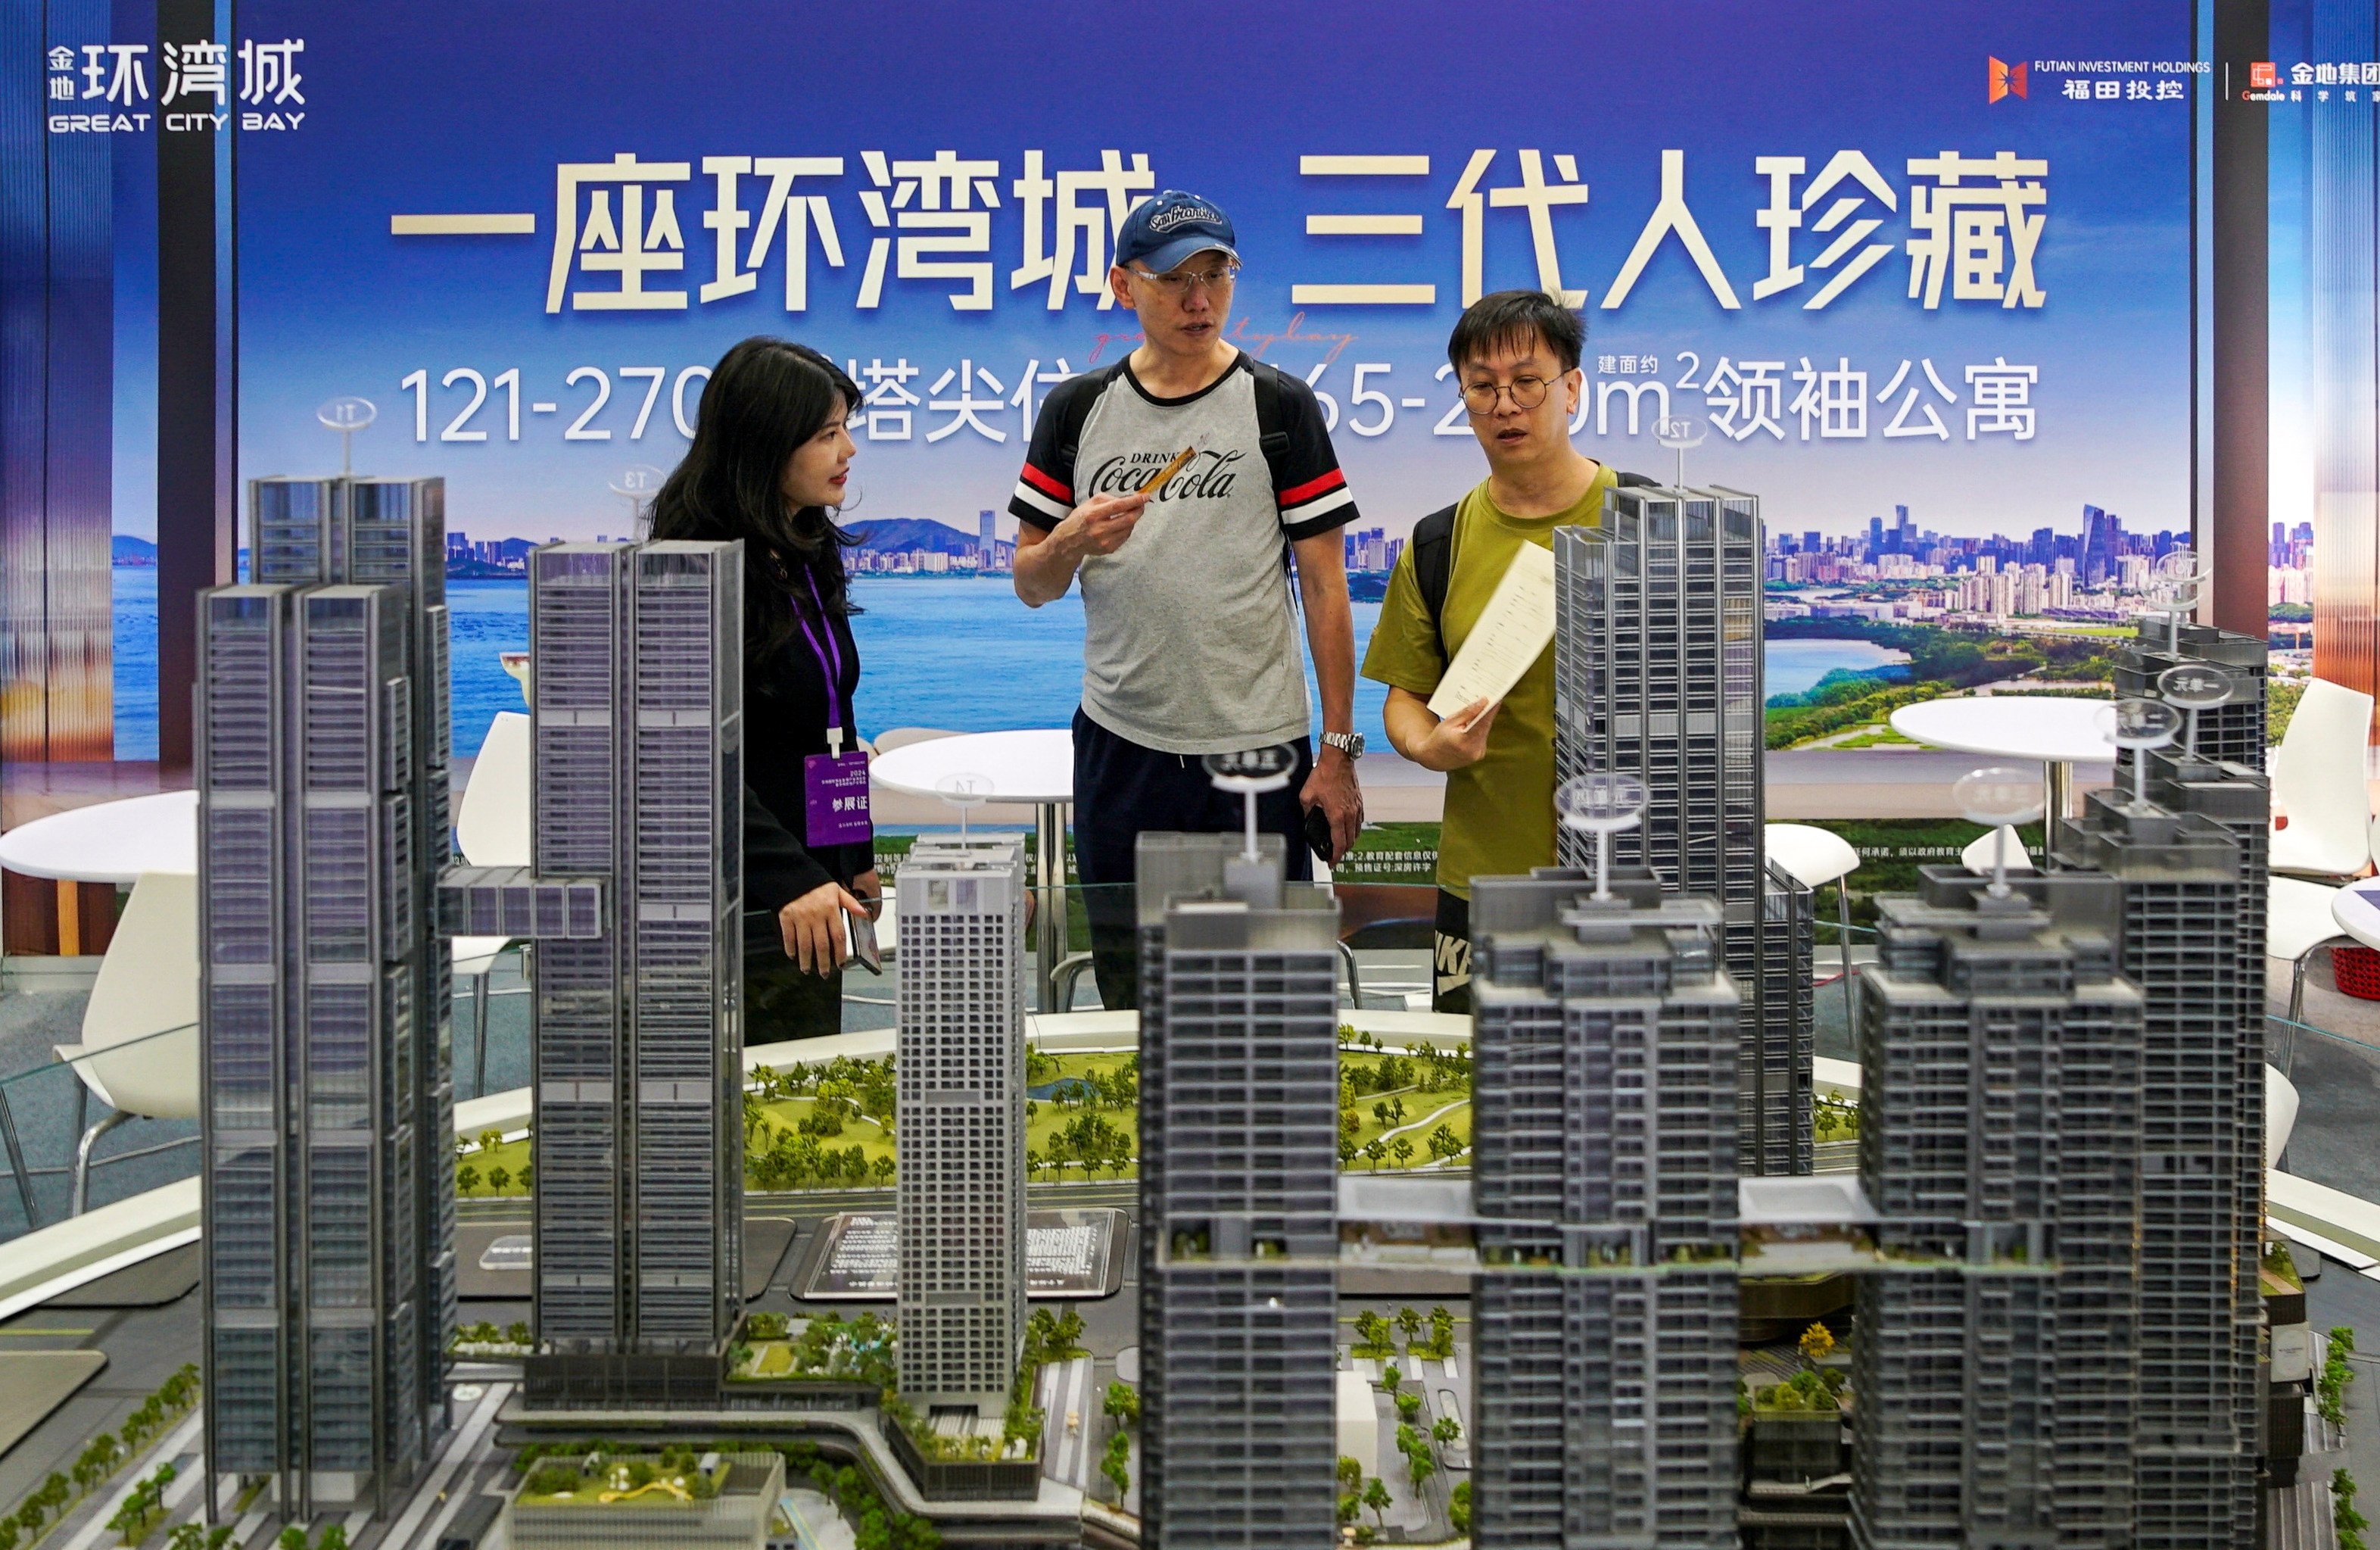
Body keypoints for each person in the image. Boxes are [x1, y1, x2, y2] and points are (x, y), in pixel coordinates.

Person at [1008, 189, 1365, 1009]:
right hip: (1122, 746)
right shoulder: (1076, 411)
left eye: (1217, 275)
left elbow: (1325, 586)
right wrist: (1067, 542)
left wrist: (1338, 751)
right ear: (1123, 286)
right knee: (1134, 993)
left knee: (1267, 996)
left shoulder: (1278, 406)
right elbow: (1031, 584)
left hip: (1258, 750)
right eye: (1175, 278)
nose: (1199, 300)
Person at [1360, 290, 1616, 1013]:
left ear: (1571, 388)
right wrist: (1429, 746)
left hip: (1627, 880)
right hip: (1482, 880)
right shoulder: (1438, 541)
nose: (1506, 404)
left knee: (1626, 1100)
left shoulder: (1649, 523)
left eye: (1528, 382)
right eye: (1482, 386)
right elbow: (1405, 696)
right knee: (1473, 1098)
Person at [650, 335, 877, 1038]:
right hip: (738, 894)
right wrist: (788, 878)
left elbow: (831, 725)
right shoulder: (689, 570)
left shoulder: (804, 549)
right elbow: (681, 762)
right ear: (764, 445)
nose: (848, 453)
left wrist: (854, 856)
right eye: (826, 434)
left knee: (806, 1096)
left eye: (846, 431)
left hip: (812, 882)